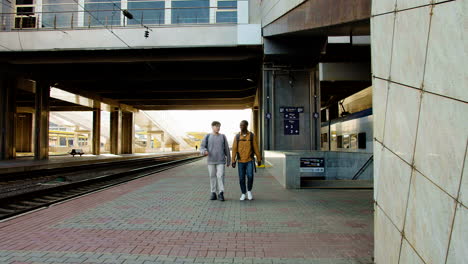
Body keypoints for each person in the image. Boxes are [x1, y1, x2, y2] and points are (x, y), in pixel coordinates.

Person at [200, 121, 231, 201]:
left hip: (221, 160)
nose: (218, 128)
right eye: (216, 126)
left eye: (219, 126)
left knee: (220, 176)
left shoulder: (223, 136)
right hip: (211, 160)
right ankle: (213, 193)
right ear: (212, 127)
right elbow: (202, 147)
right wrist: (204, 151)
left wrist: (229, 160)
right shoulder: (207, 136)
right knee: (212, 176)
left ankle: (221, 193)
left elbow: (227, 149)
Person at [231, 120, 262, 201]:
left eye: (243, 125)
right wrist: (233, 160)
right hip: (240, 161)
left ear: (246, 126)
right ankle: (243, 193)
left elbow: (256, 148)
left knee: (250, 176)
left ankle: (249, 191)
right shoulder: (237, 136)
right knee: (241, 178)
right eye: (240, 125)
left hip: (249, 160)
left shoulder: (251, 136)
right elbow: (234, 149)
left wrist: (259, 159)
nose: (241, 127)